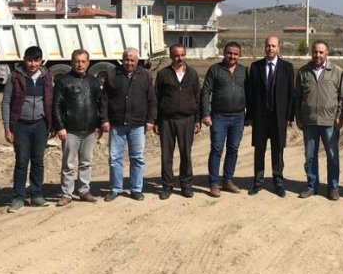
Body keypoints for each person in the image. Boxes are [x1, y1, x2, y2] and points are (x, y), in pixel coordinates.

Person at [99, 47, 157, 201]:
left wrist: (151, 120)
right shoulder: (113, 75)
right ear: (122, 59)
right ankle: (115, 188)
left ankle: (136, 189)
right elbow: (104, 99)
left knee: (137, 158)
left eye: (132, 60)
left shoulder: (145, 75)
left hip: (138, 125)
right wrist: (104, 119)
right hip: (117, 124)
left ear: (137, 61)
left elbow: (151, 100)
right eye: (126, 59)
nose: (129, 62)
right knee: (115, 158)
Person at [2, 45, 54, 213]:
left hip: (40, 125)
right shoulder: (15, 77)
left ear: (41, 61)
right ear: (24, 60)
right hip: (21, 126)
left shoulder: (47, 77)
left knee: (38, 161)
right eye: (30, 60)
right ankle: (18, 197)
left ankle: (37, 195)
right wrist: (7, 127)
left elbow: (51, 101)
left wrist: (52, 124)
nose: (33, 64)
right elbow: (6, 102)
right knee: (22, 162)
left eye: (36, 61)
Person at [294, 40, 343, 200]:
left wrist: (339, 117)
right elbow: (297, 98)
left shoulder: (337, 72)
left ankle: (333, 188)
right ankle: (312, 186)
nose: (317, 55)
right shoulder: (303, 72)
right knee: (310, 156)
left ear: (327, 53)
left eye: (321, 52)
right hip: (309, 121)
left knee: (332, 156)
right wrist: (298, 117)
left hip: (330, 122)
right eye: (315, 52)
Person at [245, 35, 294, 197]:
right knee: (259, 149)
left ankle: (278, 182)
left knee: (278, 150)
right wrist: (250, 115)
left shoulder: (287, 67)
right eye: (268, 45)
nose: (270, 48)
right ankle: (257, 182)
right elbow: (250, 94)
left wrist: (289, 116)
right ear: (264, 47)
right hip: (260, 117)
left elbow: (291, 94)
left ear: (279, 47)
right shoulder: (256, 67)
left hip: (278, 117)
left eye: (273, 46)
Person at [52, 49, 103, 206]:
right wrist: (60, 127)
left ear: (88, 63)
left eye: (83, 61)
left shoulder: (93, 81)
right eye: (76, 61)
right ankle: (67, 194)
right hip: (70, 130)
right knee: (68, 164)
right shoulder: (63, 81)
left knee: (86, 162)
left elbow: (99, 103)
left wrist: (99, 124)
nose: (80, 64)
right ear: (71, 62)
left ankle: (84, 191)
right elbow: (56, 105)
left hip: (89, 130)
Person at [200, 41, 248, 198]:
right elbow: (206, 92)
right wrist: (206, 114)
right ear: (224, 53)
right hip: (219, 116)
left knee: (233, 149)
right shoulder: (215, 70)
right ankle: (214, 183)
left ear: (239, 55)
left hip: (239, 117)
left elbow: (250, 93)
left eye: (235, 54)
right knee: (217, 149)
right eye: (229, 53)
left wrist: (249, 115)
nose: (232, 56)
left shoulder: (244, 71)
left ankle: (227, 180)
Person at [154, 44, 201, 200]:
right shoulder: (163, 74)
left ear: (185, 55)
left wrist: (197, 119)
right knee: (166, 155)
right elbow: (157, 98)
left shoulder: (192, 74)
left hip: (187, 119)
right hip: (167, 120)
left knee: (186, 154)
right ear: (171, 56)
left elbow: (197, 97)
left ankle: (186, 185)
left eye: (182, 55)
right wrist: (156, 121)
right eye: (176, 55)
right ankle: (167, 186)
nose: (179, 58)